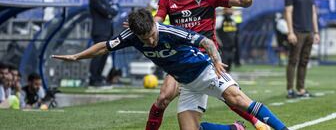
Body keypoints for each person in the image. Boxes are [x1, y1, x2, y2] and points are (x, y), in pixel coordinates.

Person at [52, 9, 289, 130]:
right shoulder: (132, 36)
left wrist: (216, 60)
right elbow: (104, 46)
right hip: (187, 84)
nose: (151, 41)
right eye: (146, 38)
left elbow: (205, 42)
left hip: (206, 71)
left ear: (156, 26)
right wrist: (76, 55)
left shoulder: (169, 31)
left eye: (153, 35)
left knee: (237, 99)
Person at [148, 0, 269, 130]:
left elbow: (238, 1)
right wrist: (144, 26)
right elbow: (157, 20)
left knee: (229, 96)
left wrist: (246, 1)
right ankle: (235, 129)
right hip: (181, 59)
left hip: (208, 58)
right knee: (163, 98)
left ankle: (257, 122)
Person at [284, 0, 320, 98]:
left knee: (304, 61)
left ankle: (301, 89)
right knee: (293, 60)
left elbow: (313, 13)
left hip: (309, 32)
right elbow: (288, 12)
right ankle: (290, 90)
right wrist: (290, 32)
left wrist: (316, 32)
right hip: (297, 32)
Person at [88, 0, 119, 86]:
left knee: (105, 55)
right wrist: (111, 10)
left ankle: (99, 77)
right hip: (99, 31)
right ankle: (93, 78)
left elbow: (114, 10)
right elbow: (107, 11)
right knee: (98, 55)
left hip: (107, 30)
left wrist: (111, 11)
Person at [216, 7, 239, 72]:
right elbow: (215, 32)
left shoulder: (233, 19)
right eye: (228, 9)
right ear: (224, 10)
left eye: (231, 9)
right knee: (223, 67)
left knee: (229, 67)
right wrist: (219, 43)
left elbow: (234, 34)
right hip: (223, 48)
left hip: (231, 48)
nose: (230, 10)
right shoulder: (219, 19)